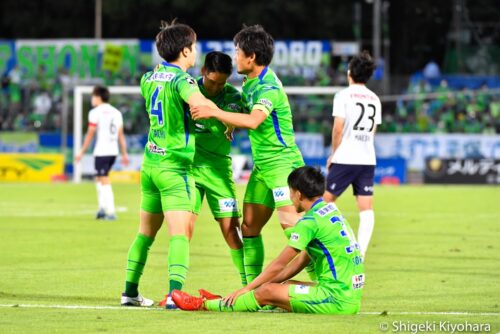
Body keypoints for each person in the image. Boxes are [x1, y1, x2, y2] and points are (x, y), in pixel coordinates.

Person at [120, 20, 223, 308]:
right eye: (194, 46)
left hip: (150, 165)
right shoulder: (183, 81)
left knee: (145, 233)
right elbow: (199, 105)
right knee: (180, 234)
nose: (196, 51)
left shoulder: (148, 78)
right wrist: (223, 120)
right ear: (186, 50)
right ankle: (173, 296)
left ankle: (130, 293)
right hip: (175, 167)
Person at [191, 25, 305, 284]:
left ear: (251, 57)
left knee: (296, 231)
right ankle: (252, 289)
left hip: (283, 165)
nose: (236, 56)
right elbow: (244, 111)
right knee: (250, 227)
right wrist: (230, 121)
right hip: (263, 167)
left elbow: (254, 121)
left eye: (238, 51)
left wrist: (216, 113)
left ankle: (326, 281)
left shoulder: (268, 87)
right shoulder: (250, 81)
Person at [171, 166, 365, 314]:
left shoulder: (309, 222)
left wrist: (247, 289)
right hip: (348, 294)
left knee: (265, 292)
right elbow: (301, 261)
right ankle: (234, 300)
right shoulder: (330, 210)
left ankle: (204, 304)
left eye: (290, 192)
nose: (290, 198)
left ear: (298, 193)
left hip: (336, 300)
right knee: (282, 287)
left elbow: (279, 264)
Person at [158, 52, 246, 309]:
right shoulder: (189, 89)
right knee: (184, 230)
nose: (217, 87)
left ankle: (249, 286)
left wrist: (214, 114)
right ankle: (174, 293)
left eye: (221, 83)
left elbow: (221, 127)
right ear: (204, 71)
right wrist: (218, 118)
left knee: (232, 233)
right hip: (191, 170)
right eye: (212, 81)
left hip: (219, 172)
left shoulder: (232, 97)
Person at [324, 51, 382, 259]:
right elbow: (373, 130)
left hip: (346, 157)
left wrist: (333, 154)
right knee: (366, 208)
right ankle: (361, 252)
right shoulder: (375, 99)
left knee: (325, 202)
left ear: (350, 73)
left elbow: (338, 129)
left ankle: (341, 241)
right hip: (367, 158)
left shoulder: (343, 95)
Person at [75, 85, 129, 220]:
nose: (92, 99)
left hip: (102, 151)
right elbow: (120, 135)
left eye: (93, 96)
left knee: (103, 178)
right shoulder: (116, 112)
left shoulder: (95, 112)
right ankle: (102, 209)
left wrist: (81, 151)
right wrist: (124, 153)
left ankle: (110, 212)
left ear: (98, 97)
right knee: (99, 177)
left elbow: (90, 134)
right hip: (113, 151)